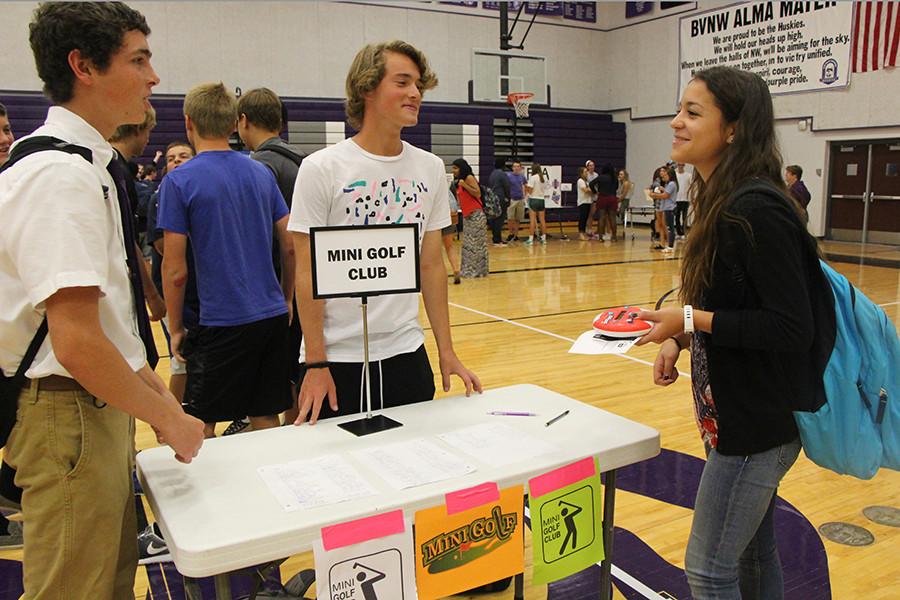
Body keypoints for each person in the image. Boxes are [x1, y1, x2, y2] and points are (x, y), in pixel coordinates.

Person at [0, 3, 205, 597]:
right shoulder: (58, 176)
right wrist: (167, 416)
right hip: (68, 411)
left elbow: (111, 326)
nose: (153, 77)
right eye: (138, 60)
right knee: (75, 587)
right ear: (83, 66)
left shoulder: (88, 165)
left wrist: (162, 407)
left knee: (107, 581)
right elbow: (77, 341)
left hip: (95, 406)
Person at [636, 66, 812, 600]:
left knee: (708, 569)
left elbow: (790, 326)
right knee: (754, 558)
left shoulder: (757, 208)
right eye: (679, 109)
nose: (676, 122)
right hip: (736, 419)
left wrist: (689, 320)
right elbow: (733, 306)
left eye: (693, 112)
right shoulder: (721, 199)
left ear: (733, 129)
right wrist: (680, 337)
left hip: (757, 427)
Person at [289, 40, 481, 425]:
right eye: (403, 82)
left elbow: (430, 267)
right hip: (336, 360)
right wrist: (315, 361)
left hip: (406, 354)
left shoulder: (429, 168)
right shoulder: (321, 168)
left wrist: (446, 350)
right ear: (367, 88)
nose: (415, 93)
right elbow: (307, 272)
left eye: (419, 86)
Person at [159, 82, 295, 439]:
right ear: (235, 123)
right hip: (270, 316)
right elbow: (290, 244)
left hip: (218, 322)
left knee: (201, 421)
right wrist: (287, 297)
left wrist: (175, 328)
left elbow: (175, 270)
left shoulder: (180, 181)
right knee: (265, 417)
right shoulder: (260, 172)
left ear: (188, 123)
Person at [237, 86, 305, 428]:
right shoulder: (304, 163)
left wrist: (285, 293)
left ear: (243, 121)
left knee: (272, 377)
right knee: (297, 368)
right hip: (311, 283)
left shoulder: (258, 166)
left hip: (278, 289)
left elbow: (275, 241)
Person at [147, 141, 199, 404]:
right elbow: (164, 249)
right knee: (181, 360)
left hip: (197, 291)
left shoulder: (197, 191)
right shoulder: (160, 197)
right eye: (170, 158)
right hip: (173, 292)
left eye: (183, 156)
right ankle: (173, 415)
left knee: (195, 359)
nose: (176, 161)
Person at [454, 158, 489, 278]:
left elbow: (477, 193)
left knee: (476, 245)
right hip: (467, 215)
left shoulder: (468, 178)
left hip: (476, 215)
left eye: (455, 168)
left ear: (461, 168)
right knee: (468, 245)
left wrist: (464, 185)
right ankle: (468, 270)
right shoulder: (459, 181)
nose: (453, 170)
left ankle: (478, 271)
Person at [648, 166, 677, 252]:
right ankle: (664, 243)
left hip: (669, 207)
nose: (663, 174)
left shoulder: (672, 184)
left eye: (665, 172)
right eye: (661, 172)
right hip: (664, 206)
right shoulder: (668, 183)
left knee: (669, 227)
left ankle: (670, 246)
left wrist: (654, 195)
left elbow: (666, 195)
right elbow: (666, 193)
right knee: (663, 225)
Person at [590, 163, 619, 241]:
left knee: (602, 217)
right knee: (612, 218)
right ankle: (614, 237)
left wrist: (595, 192)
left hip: (602, 197)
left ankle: (600, 237)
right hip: (612, 198)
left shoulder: (601, 177)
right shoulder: (614, 178)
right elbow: (616, 187)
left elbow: (591, 184)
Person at [487, 156, 511, 246]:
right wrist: (508, 198)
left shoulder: (492, 174)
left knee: (494, 218)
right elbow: (507, 187)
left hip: (492, 198)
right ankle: (497, 239)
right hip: (500, 198)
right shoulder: (502, 174)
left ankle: (495, 237)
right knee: (500, 219)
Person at [442, 182, 462, 284]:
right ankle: (456, 270)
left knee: (434, 250)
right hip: (451, 217)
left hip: (437, 219)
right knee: (449, 247)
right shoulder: (446, 189)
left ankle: (439, 275)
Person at [524, 162, 548, 245]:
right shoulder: (543, 178)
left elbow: (530, 191)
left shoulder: (533, 178)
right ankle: (544, 238)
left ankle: (530, 239)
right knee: (542, 220)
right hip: (541, 200)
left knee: (532, 221)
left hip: (533, 200)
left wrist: (525, 187)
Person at [505, 161, 527, 242]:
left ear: (520, 168)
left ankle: (516, 235)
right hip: (512, 200)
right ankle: (511, 234)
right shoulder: (508, 176)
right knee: (510, 218)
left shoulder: (522, 176)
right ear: (512, 168)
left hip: (520, 199)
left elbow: (525, 186)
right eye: (514, 166)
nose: (516, 168)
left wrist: (525, 196)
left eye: (518, 166)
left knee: (518, 218)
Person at [674, 162, 691, 238]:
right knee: (677, 217)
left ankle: (684, 233)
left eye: (682, 165)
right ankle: (678, 233)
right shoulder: (675, 175)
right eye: (679, 165)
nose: (680, 166)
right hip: (676, 199)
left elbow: (692, 186)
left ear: (684, 165)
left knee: (684, 217)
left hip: (685, 199)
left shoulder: (688, 175)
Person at [576, 166, 592, 240]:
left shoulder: (587, 181)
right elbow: (585, 190)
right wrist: (591, 190)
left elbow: (590, 190)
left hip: (588, 201)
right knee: (582, 218)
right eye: (585, 172)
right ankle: (581, 233)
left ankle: (584, 232)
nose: (587, 173)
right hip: (583, 202)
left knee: (585, 218)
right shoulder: (580, 181)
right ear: (581, 173)